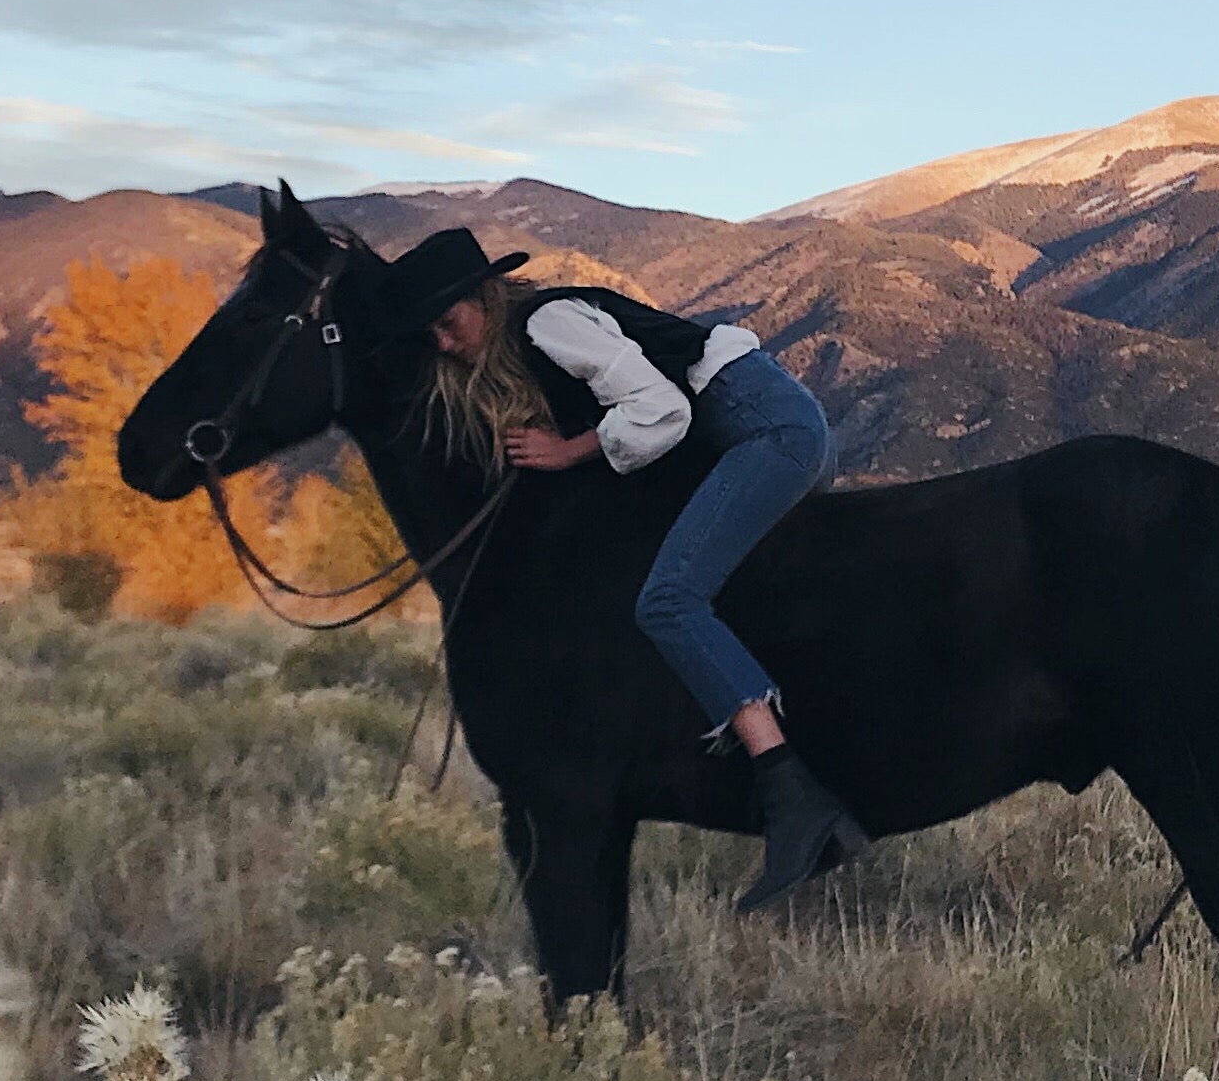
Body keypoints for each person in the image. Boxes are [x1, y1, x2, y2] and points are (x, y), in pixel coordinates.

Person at [365, 226, 866, 910]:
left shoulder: (550, 319)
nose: (446, 344)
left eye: (450, 324)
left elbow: (660, 410)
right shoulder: (530, 344)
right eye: (434, 337)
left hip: (765, 427)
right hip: (770, 423)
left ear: (486, 297)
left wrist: (567, 450)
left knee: (670, 601)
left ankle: (793, 797)